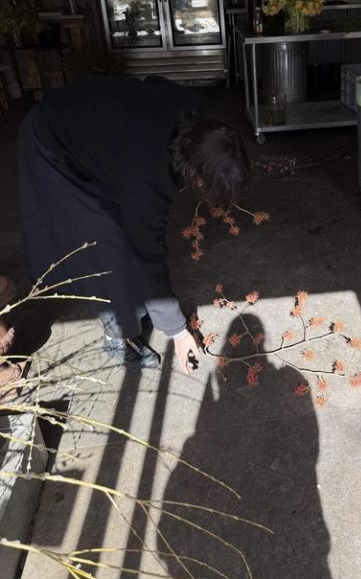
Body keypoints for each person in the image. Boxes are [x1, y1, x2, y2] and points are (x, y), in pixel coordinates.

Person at [18, 74, 250, 373]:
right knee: (106, 248)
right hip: (51, 140)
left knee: (123, 226)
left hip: (97, 132)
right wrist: (178, 332)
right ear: (195, 174)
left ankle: (139, 304)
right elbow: (147, 253)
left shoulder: (192, 116)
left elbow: (153, 81)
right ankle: (116, 336)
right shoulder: (147, 179)